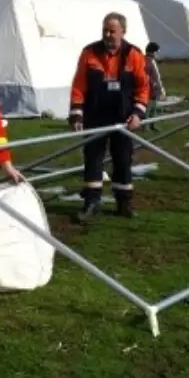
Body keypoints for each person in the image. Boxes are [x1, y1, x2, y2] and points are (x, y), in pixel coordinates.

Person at [68, 12, 151, 222]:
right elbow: (79, 85)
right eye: (105, 30)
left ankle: (124, 202)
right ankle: (91, 202)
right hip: (95, 116)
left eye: (112, 31)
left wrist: (138, 113)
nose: (107, 34)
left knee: (123, 159)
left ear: (123, 31)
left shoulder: (134, 54)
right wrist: (76, 114)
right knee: (93, 159)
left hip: (123, 118)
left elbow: (143, 87)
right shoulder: (89, 53)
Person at [144, 42, 165, 131]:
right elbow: (155, 76)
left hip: (149, 86)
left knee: (151, 107)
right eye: (156, 52)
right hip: (151, 87)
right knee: (150, 107)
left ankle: (149, 125)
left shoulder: (145, 59)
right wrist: (161, 89)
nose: (157, 54)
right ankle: (147, 125)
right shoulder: (150, 61)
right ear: (152, 52)